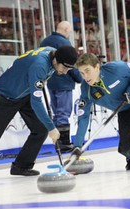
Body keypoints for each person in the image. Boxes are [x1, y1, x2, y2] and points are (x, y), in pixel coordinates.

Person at [0, 45, 78, 180]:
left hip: (24, 94)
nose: (65, 72)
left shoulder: (51, 52)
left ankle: (22, 166)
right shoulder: (40, 66)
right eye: (65, 68)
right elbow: (37, 102)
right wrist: (52, 127)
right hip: (4, 97)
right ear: (56, 60)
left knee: (40, 129)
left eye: (69, 69)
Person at [40, 21, 83, 153]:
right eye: (69, 32)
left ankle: (57, 141)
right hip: (64, 82)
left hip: (50, 81)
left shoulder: (44, 41)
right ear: (65, 29)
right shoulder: (64, 43)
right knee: (64, 112)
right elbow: (72, 64)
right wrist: (79, 77)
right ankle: (64, 142)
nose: (69, 34)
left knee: (56, 112)